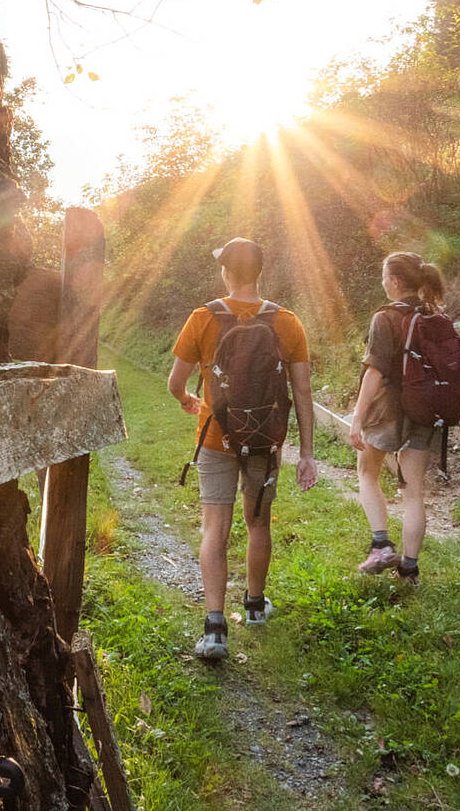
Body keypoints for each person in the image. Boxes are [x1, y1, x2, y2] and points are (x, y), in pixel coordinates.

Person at [167, 238, 318, 661]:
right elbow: (302, 393)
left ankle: (214, 629)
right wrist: (306, 452)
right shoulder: (286, 321)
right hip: (263, 442)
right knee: (258, 522)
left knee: (215, 525)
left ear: (226, 273)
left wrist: (186, 401)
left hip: (217, 437)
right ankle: (254, 606)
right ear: (259, 272)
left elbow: (175, 383)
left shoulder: (203, 318)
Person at [348, 251, 449, 583]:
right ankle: (410, 570)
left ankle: (381, 545)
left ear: (393, 281)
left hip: (389, 408)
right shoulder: (433, 314)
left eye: (383, 276)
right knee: (414, 492)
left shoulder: (385, 318)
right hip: (426, 407)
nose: (382, 282)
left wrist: (358, 417)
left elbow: (374, 372)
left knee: (367, 469)